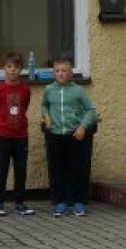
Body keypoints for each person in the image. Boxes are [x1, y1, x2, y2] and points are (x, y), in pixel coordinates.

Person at [41, 54, 99, 216]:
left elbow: (91, 110)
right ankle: (61, 202)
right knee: (58, 169)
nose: (60, 73)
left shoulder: (78, 90)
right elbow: (44, 106)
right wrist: (46, 116)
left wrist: (83, 126)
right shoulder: (49, 90)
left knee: (77, 168)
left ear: (70, 73)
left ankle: (78, 202)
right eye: (57, 70)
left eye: (64, 70)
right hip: (55, 135)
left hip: (75, 136)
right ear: (53, 73)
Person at [0, 53, 35, 217]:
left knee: (20, 171)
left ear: (21, 69)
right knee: (1, 170)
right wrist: (1, 126)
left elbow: (25, 106)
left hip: (21, 136)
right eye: (9, 67)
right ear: (4, 69)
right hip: (4, 136)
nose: (13, 70)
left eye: (16, 67)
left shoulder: (25, 89)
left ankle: (19, 203)